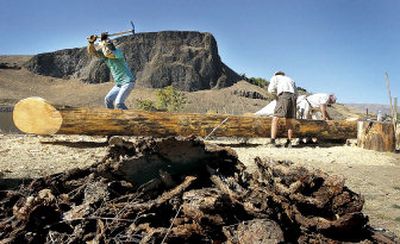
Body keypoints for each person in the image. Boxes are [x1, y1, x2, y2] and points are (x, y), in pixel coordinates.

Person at [87, 33, 135, 110]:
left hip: (127, 82)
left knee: (119, 104)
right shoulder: (105, 56)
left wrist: (102, 43)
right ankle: (114, 119)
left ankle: (130, 120)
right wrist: (91, 43)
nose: (107, 47)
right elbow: (93, 52)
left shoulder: (118, 52)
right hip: (119, 84)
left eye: (108, 46)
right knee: (108, 99)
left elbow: (107, 53)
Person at [267, 71, 297, 148]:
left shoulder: (275, 77)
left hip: (284, 96)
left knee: (275, 118)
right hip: (293, 97)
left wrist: (277, 98)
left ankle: (272, 141)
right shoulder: (291, 79)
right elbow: (296, 93)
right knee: (289, 120)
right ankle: (289, 142)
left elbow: (270, 90)